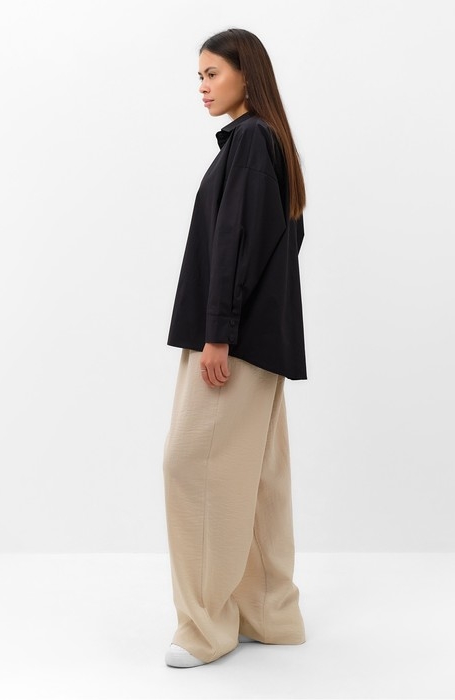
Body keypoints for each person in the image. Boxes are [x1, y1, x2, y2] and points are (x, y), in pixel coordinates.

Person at [162, 27, 308, 668]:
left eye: (212, 73)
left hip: (232, 341)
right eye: (198, 76)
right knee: (257, 475)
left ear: (247, 74)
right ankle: (268, 614)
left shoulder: (249, 141)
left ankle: (205, 629)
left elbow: (235, 243)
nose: (202, 87)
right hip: (263, 341)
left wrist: (218, 332)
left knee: (193, 468)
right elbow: (287, 240)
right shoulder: (271, 142)